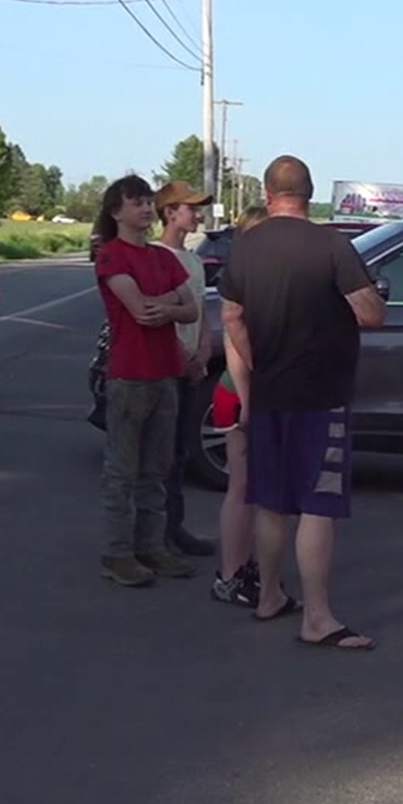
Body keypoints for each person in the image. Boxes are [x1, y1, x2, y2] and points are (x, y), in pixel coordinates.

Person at [220, 156, 386, 649]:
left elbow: (231, 316)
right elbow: (370, 314)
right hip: (323, 392)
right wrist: (371, 299)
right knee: (317, 504)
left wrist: (256, 362)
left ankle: (269, 594)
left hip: (271, 390)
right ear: (308, 195)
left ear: (268, 195)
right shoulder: (331, 245)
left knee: (271, 500)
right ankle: (317, 616)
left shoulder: (246, 248)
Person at [95, 174, 199, 587]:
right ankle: (118, 552)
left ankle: (152, 546)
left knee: (156, 468)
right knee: (122, 469)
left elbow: (189, 308)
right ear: (116, 211)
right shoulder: (112, 256)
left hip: (164, 372)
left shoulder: (163, 258)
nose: (144, 208)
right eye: (135, 202)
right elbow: (140, 310)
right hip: (129, 374)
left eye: (146, 201)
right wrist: (169, 303)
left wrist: (169, 306)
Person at [210, 205, 271, 608]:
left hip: (255, 392)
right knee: (241, 487)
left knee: (254, 490)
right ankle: (229, 576)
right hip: (236, 393)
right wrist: (248, 404)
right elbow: (234, 348)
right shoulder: (242, 280)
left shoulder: (262, 278)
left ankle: (246, 564)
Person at [153, 180, 217, 557]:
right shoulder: (157, 256)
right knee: (161, 454)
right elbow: (160, 315)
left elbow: (201, 313)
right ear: (169, 212)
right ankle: (157, 531)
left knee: (179, 452)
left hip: (192, 364)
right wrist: (182, 355)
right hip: (166, 366)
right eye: (190, 208)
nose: (197, 214)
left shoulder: (193, 259)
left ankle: (175, 527)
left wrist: (203, 350)